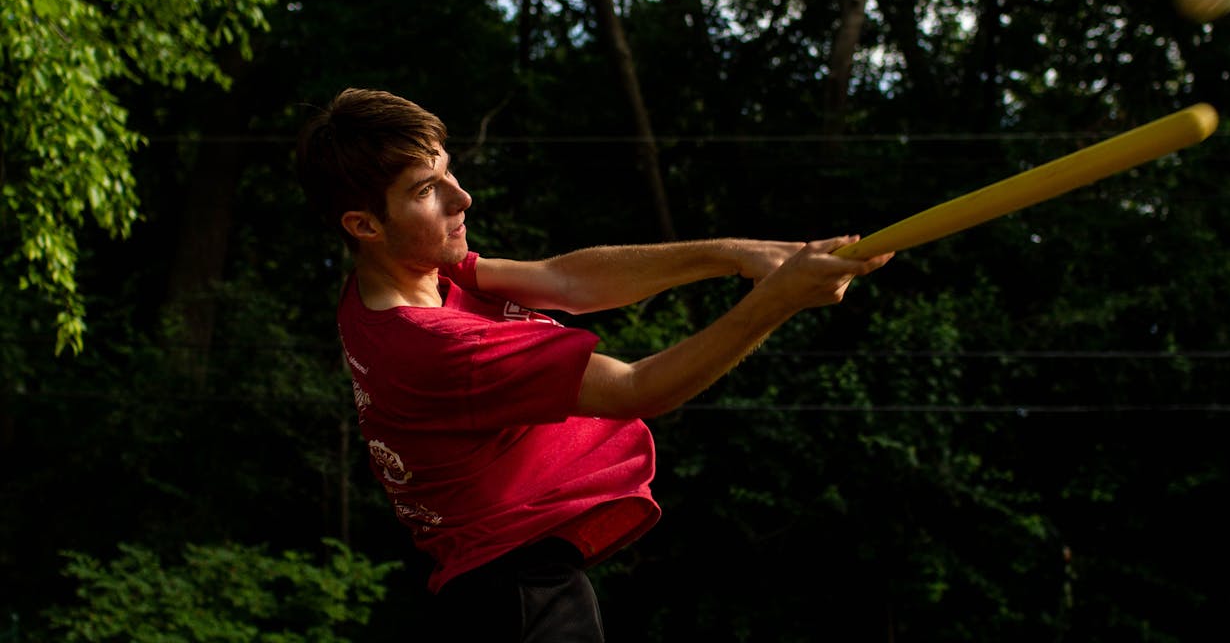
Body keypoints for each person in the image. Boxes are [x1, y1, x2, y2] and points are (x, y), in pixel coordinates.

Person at [295, 87, 891, 641]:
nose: (462, 196)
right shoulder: (438, 344)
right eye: (426, 190)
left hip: (500, 586)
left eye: (449, 170)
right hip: (518, 593)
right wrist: (780, 299)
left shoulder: (405, 279)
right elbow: (638, 387)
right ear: (364, 225)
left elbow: (565, 279)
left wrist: (739, 256)